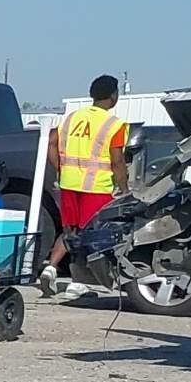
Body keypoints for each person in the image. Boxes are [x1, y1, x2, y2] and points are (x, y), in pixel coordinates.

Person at [48, 74, 132, 279]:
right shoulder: (114, 124)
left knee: (70, 231)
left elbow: (51, 142)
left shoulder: (72, 118)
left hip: (68, 183)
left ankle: (50, 269)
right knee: (92, 235)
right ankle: (80, 281)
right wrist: (124, 189)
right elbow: (117, 161)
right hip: (96, 188)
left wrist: (60, 169)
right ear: (113, 96)